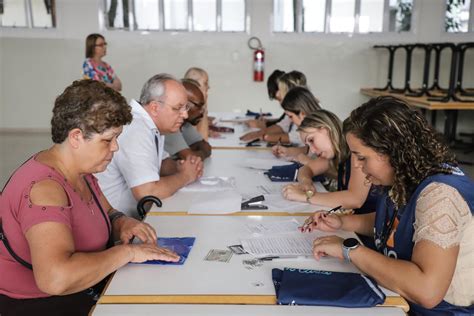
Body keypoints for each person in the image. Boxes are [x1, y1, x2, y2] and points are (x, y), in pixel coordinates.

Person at [0, 80, 179, 316]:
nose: (115, 147)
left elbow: (106, 213)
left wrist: (122, 221)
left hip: (81, 291)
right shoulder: (45, 190)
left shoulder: (82, 171)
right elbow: (56, 279)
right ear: (76, 137)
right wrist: (127, 253)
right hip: (40, 304)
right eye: (108, 140)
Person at [309, 96, 474, 315]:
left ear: (392, 151)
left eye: (361, 157)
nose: (356, 165)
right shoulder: (407, 173)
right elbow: (397, 222)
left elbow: (427, 291)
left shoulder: (441, 196)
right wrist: (342, 221)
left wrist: (350, 250)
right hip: (401, 299)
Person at [96, 74, 203, 218]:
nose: (184, 115)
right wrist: (185, 176)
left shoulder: (149, 125)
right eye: (178, 108)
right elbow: (147, 193)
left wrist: (183, 165)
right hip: (113, 227)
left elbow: (162, 164)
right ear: (154, 108)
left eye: (186, 108)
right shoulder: (136, 129)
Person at [282, 109, 374, 213]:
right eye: (308, 145)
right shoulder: (335, 155)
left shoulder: (356, 152)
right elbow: (307, 168)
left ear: (327, 129)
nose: (312, 150)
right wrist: (306, 182)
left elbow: (355, 199)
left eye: (311, 140)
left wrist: (306, 196)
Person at [240, 70, 307, 144]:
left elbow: (297, 137)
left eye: (281, 93)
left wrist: (263, 136)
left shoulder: (305, 108)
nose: (278, 95)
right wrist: (258, 133)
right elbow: (283, 125)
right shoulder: (295, 107)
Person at [272, 86, 321, 165]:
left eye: (291, 116)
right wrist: (288, 151)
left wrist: (308, 162)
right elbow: (308, 150)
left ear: (302, 113)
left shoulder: (321, 132)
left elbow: (328, 168)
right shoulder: (311, 128)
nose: (290, 121)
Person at [164, 79, 212, 160]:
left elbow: (206, 147)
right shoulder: (169, 123)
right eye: (198, 106)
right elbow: (191, 158)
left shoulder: (185, 123)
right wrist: (190, 151)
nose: (202, 111)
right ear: (184, 102)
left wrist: (188, 151)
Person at [184, 67, 211, 140]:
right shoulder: (187, 108)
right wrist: (204, 105)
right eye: (205, 83)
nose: (208, 87)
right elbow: (202, 140)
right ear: (195, 86)